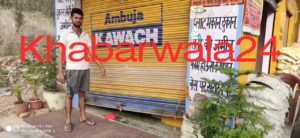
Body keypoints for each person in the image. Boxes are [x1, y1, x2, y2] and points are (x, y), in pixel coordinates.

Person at [57, 8, 106, 133]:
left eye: (80, 18)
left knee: (82, 94)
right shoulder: (65, 34)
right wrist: (60, 71)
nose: (78, 20)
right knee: (69, 95)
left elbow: (92, 53)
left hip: (85, 69)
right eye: (76, 18)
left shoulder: (85, 35)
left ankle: (82, 117)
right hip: (72, 70)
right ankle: (68, 121)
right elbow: (61, 53)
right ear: (71, 18)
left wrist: (101, 66)